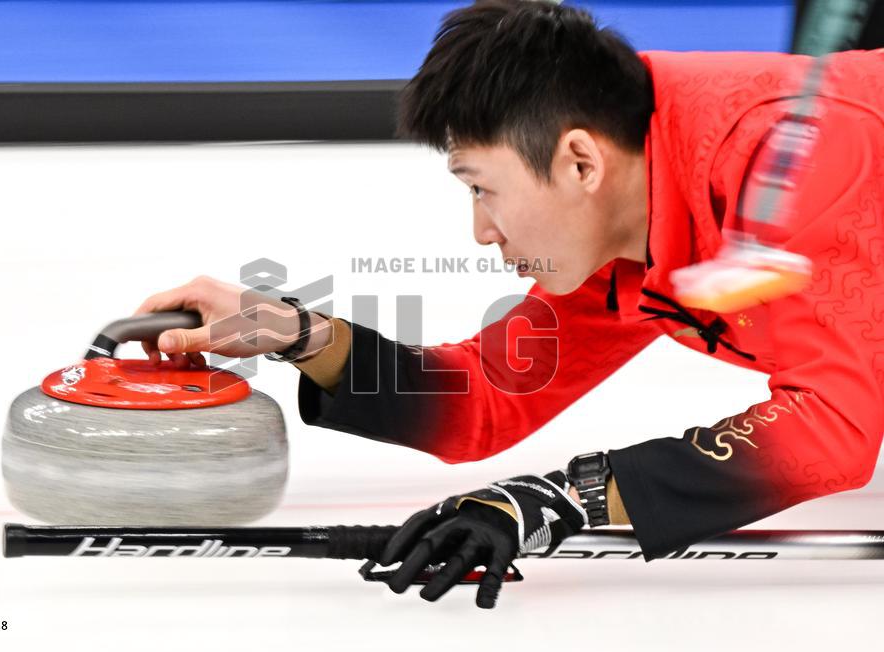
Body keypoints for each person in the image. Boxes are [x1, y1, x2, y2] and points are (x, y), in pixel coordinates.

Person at [134, 0, 884, 608]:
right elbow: (487, 399)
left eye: (481, 189)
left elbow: (836, 429)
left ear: (579, 160)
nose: (481, 232)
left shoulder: (789, 170)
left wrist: (557, 499)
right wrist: (296, 332)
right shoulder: (625, 200)